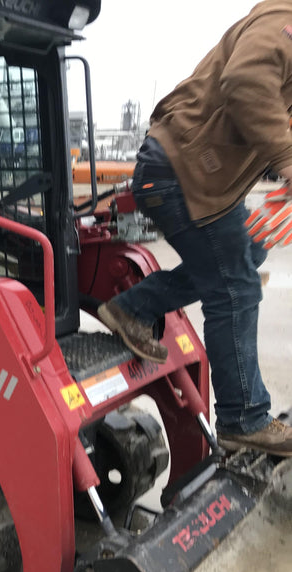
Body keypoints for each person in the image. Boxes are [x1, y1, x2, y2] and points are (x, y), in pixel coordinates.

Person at [97, 1, 292, 456]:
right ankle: (243, 418)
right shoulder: (284, 21)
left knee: (250, 254)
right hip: (182, 170)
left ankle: (131, 308)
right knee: (236, 287)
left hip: (202, 178)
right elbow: (245, 82)